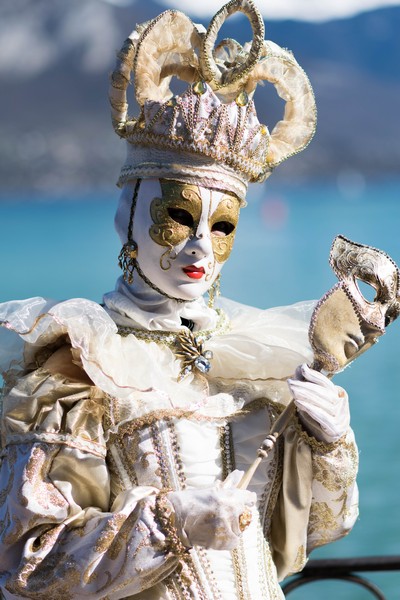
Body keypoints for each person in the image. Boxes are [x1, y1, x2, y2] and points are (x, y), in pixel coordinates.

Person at [0, 1, 358, 598]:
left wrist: (329, 445)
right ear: (131, 218)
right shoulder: (80, 365)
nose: (200, 247)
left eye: (222, 226)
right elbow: (28, 561)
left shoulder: (245, 356)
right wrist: (171, 524)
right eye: (178, 215)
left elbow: (307, 529)